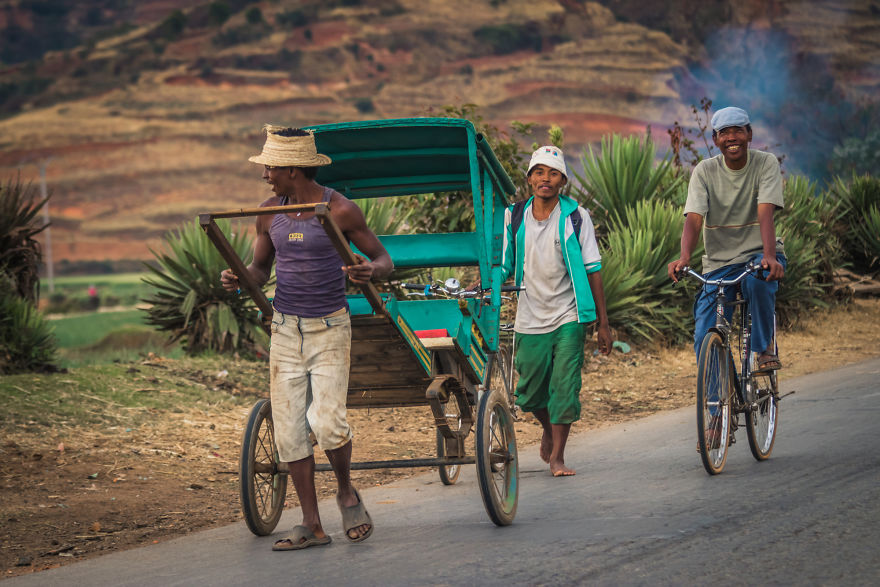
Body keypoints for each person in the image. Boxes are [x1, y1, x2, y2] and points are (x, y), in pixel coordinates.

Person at [221, 125, 393, 551]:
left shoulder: (340, 210)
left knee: (328, 422)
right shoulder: (267, 212)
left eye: (271, 167)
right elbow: (261, 271)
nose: (265, 175)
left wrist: (371, 271)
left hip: (330, 328)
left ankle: (346, 492)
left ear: (294, 169)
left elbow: (382, 258)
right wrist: (241, 278)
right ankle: (312, 525)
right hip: (285, 330)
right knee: (289, 432)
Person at [500, 145, 613, 477]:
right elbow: (505, 262)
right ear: (530, 179)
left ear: (562, 180)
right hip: (529, 316)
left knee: (564, 385)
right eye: (538, 172)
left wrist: (602, 324)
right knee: (530, 394)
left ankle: (558, 457)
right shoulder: (514, 215)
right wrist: (491, 280)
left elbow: (593, 269)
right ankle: (548, 427)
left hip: (569, 315)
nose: (545, 179)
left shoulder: (576, 216)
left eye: (552, 173)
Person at [667, 106, 786, 372]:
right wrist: (685, 257)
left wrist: (769, 255)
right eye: (724, 133)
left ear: (749, 134)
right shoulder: (704, 172)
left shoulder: (765, 163)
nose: (731, 137)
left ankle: (764, 347)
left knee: (759, 282)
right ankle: (716, 404)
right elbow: (694, 219)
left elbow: (765, 211)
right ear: (715, 140)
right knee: (705, 333)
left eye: (738, 131)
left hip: (759, 254)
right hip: (719, 264)